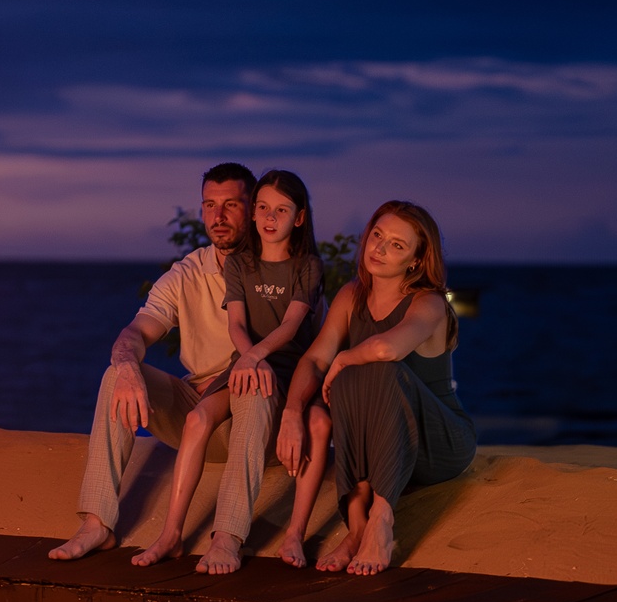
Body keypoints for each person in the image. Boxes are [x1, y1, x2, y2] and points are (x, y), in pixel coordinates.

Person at [50, 162, 275, 570]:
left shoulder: (280, 270)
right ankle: (97, 523)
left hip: (260, 419)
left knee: (254, 386)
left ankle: (227, 537)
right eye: (209, 205)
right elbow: (136, 332)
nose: (218, 217)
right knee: (117, 372)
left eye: (231, 205)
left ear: (255, 208)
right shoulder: (186, 274)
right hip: (196, 413)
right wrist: (129, 366)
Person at [131, 169, 327, 569]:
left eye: (282, 210)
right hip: (245, 362)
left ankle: (227, 536)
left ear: (300, 218)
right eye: (264, 208)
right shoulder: (240, 264)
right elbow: (235, 324)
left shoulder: (307, 267)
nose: (271, 217)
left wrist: (258, 359)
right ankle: (170, 533)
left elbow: (291, 327)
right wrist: (250, 357)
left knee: (262, 404)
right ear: (254, 214)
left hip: (283, 365)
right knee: (198, 418)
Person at [275, 200, 474, 575]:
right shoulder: (352, 296)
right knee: (346, 377)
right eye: (377, 236)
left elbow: (388, 348)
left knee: (378, 368)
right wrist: (291, 411)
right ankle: (356, 527)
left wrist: (344, 359)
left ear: (415, 261)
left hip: (440, 442)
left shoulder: (428, 302)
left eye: (397, 245)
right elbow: (315, 360)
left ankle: (381, 520)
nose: (379, 249)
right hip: (387, 450)